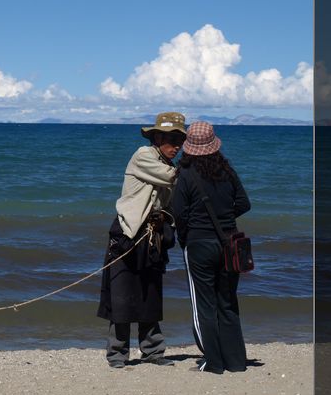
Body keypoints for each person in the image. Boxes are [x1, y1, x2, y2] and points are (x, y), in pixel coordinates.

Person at [96, 112, 186, 369]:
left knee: (150, 294)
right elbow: (173, 178)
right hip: (128, 234)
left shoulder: (164, 162)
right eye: (172, 139)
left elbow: (169, 200)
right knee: (122, 296)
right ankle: (117, 355)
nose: (177, 146)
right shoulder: (144, 156)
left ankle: (153, 351)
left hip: (152, 236)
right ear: (158, 137)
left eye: (180, 140)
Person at [171, 121, 251, 374]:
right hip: (229, 243)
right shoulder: (227, 171)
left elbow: (179, 214)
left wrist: (186, 235)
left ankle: (213, 362)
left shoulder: (184, 175)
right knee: (227, 303)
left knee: (203, 305)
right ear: (214, 145)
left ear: (188, 147)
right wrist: (226, 217)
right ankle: (236, 362)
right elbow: (244, 204)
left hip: (198, 244)